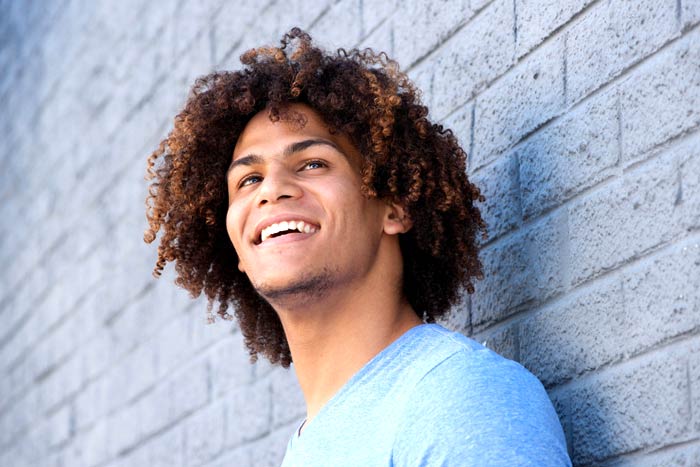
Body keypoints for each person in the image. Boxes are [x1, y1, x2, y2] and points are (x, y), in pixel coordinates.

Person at [144, 28, 572, 466]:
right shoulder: (310, 445)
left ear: (394, 206)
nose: (271, 190)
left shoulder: (461, 398)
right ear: (236, 246)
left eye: (313, 163)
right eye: (248, 179)